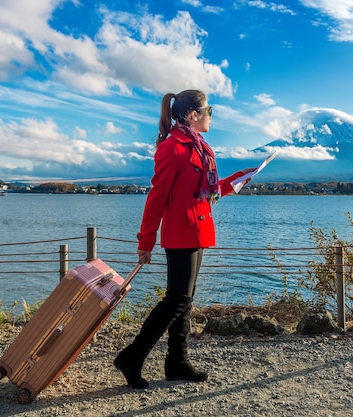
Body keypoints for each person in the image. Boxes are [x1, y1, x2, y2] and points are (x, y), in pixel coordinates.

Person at [113, 89, 254, 389]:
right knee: (176, 300)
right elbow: (157, 197)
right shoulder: (172, 148)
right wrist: (145, 241)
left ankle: (177, 362)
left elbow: (205, 192)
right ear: (193, 115)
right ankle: (132, 356)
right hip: (180, 233)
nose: (211, 116)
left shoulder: (199, 147)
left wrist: (238, 179)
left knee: (184, 301)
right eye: (208, 110)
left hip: (197, 230)